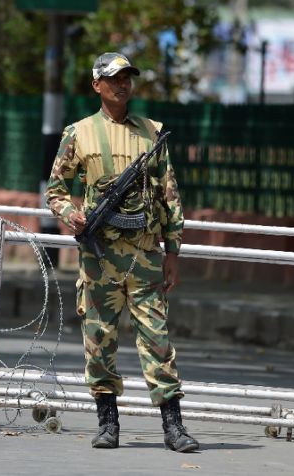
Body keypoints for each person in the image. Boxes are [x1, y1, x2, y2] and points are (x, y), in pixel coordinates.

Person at [44, 52, 198, 452]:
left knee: (158, 341)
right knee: (99, 340)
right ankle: (108, 423)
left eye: (127, 77)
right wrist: (71, 215)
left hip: (146, 256)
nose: (122, 84)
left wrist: (173, 252)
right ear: (97, 85)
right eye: (113, 78)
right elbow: (55, 192)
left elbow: (170, 195)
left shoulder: (153, 133)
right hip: (100, 258)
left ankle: (173, 427)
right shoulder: (78, 133)